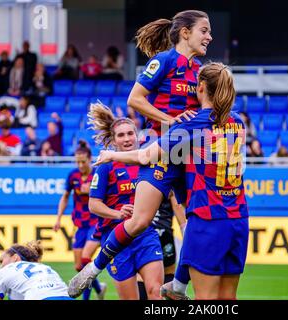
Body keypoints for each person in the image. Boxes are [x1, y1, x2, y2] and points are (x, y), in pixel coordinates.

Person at [69, 62, 248, 300]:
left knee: (206, 299)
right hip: (238, 219)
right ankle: (177, 286)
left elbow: (145, 155)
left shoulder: (194, 123)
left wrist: (112, 154)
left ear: (201, 87)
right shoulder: (238, 122)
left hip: (208, 219)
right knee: (228, 298)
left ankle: (99, 268)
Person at [67, 10, 212, 299]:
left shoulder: (200, 71)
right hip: (160, 150)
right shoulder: (164, 61)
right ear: (185, 32)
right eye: (204, 30)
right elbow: (134, 99)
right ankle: (92, 270)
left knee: (195, 223)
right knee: (141, 221)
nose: (209, 36)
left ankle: (180, 286)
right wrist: (169, 120)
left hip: (189, 155)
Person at [87, 105, 164, 299]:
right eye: (121, 135)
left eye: (131, 133)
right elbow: (93, 205)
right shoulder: (106, 167)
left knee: (156, 292)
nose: (127, 138)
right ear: (113, 141)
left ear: (137, 136)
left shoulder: (148, 162)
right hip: (115, 239)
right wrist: (117, 213)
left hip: (145, 234)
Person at [53, 141, 105, 300]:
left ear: (90, 159)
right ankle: (99, 288)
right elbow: (65, 197)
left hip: (95, 223)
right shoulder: (73, 175)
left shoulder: (97, 174)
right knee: (79, 267)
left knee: (85, 260)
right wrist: (58, 218)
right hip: (80, 224)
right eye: (78, 161)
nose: (80, 165)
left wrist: (91, 190)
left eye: (83, 161)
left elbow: (106, 195)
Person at [137, 191, 187, 300]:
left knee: (142, 274)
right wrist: (184, 229)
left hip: (146, 233)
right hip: (164, 232)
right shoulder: (168, 179)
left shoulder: (140, 179)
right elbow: (177, 205)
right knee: (169, 272)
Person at [0, 240, 73, 300]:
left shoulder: (6, 270)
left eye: (2, 261)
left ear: (15, 258)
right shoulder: (46, 268)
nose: (0, 266)